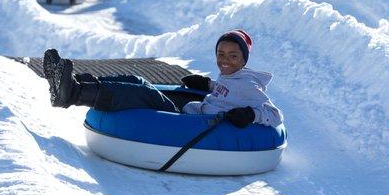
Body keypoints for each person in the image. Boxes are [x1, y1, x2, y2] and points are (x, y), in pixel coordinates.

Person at [42, 29, 283, 129]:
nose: (225, 60)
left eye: (233, 55)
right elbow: (227, 91)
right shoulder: (233, 78)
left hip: (192, 123)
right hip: (193, 111)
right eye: (221, 54)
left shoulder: (249, 85)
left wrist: (251, 115)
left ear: (244, 59)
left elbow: (274, 114)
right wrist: (208, 85)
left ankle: (71, 93)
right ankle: (75, 83)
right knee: (137, 80)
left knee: (143, 94)